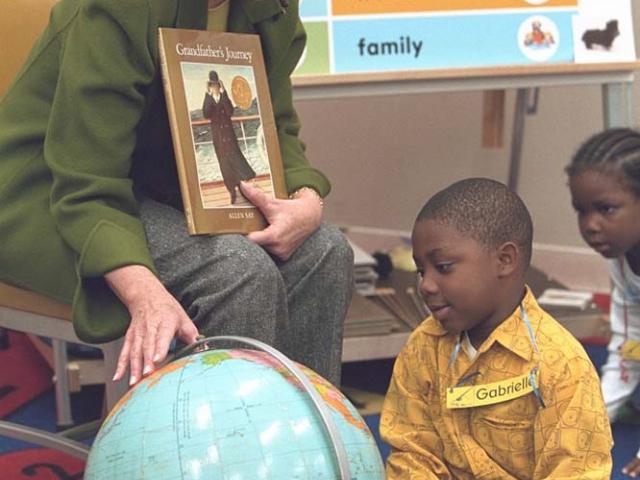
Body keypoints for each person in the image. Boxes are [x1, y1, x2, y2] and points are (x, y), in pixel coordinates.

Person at [0, 0, 353, 388]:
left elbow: (276, 123)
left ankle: (308, 437)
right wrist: (143, 291)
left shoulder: (273, 6)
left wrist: (306, 200)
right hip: (48, 195)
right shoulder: (121, 9)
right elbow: (86, 182)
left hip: (164, 187)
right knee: (235, 271)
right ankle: (222, 444)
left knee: (324, 250)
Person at [380, 177, 613, 479]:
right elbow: (411, 452)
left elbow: (578, 471)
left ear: (504, 260)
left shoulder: (561, 365)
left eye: (444, 267)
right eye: (421, 270)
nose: (425, 285)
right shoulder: (423, 346)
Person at [566, 128, 640, 477]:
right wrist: (587, 424)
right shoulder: (621, 260)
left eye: (606, 209)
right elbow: (629, 347)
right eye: (581, 211)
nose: (590, 225)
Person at [202, 70, 256, 205]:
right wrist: (207, 95)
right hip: (219, 139)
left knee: (236, 159)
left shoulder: (224, 97)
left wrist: (225, 93)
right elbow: (206, 114)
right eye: (212, 86)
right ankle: (232, 191)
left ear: (220, 86)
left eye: (216, 85)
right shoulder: (208, 99)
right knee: (225, 166)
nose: (215, 87)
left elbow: (230, 111)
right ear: (210, 87)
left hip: (229, 136)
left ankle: (245, 188)